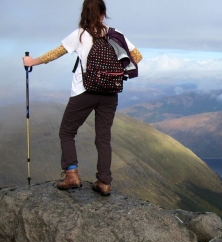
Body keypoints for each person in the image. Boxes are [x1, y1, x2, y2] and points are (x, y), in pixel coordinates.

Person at [23, 0, 142, 196]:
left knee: (67, 132)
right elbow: (136, 56)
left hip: (84, 92)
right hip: (110, 93)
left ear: (85, 13)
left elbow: (55, 53)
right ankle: (104, 182)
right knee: (103, 137)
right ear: (103, 13)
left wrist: (31, 62)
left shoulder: (80, 34)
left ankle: (72, 176)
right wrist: (111, 71)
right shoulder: (116, 34)